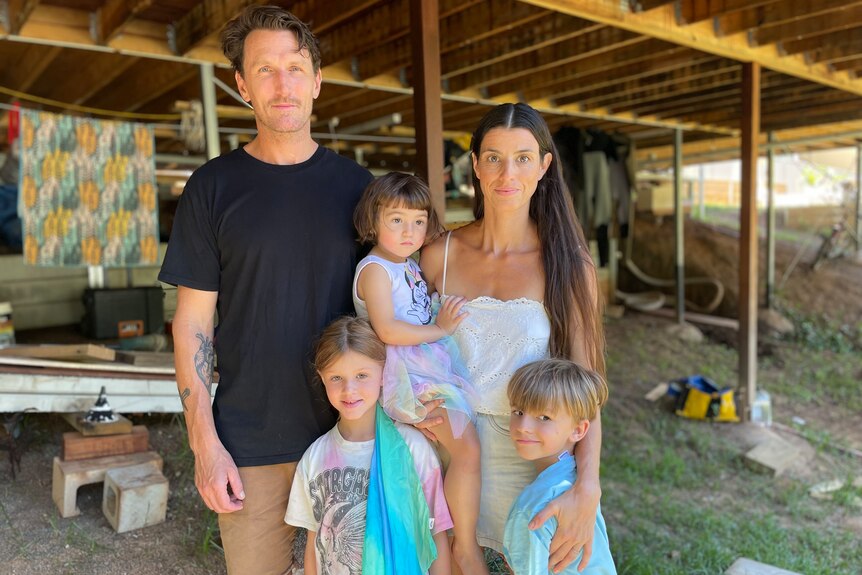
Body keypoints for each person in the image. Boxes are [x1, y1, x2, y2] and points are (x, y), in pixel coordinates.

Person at [158, 6, 373, 573]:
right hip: (250, 442)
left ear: (317, 81)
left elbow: (396, 303)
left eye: (296, 68)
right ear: (242, 85)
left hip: (349, 435)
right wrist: (206, 446)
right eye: (266, 69)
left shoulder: (360, 190)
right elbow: (193, 324)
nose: (283, 85)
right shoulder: (211, 189)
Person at [419, 102, 605, 574]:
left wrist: (588, 488)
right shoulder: (437, 255)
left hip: (534, 462)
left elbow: (586, 392)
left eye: (523, 157)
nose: (508, 173)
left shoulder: (568, 263)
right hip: (449, 457)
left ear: (544, 165)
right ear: (476, 165)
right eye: (494, 157)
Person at [352, 172, 485, 573]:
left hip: (425, 366)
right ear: (373, 221)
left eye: (418, 221)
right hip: (405, 375)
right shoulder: (375, 268)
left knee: (456, 453)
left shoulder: (407, 265)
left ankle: (453, 544)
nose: (409, 231)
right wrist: (441, 328)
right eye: (396, 220)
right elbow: (388, 329)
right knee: (467, 450)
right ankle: (465, 546)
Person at [285, 316, 453, 575]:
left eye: (362, 375)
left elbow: (436, 534)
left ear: (384, 373)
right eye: (336, 378)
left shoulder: (411, 447)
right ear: (322, 377)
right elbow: (313, 542)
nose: (349, 390)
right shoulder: (315, 457)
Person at [503, 359, 615, 575]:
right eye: (517, 412)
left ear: (578, 430)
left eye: (544, 417)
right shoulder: (575, 482)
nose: (523, 427)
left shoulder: (533, 508)